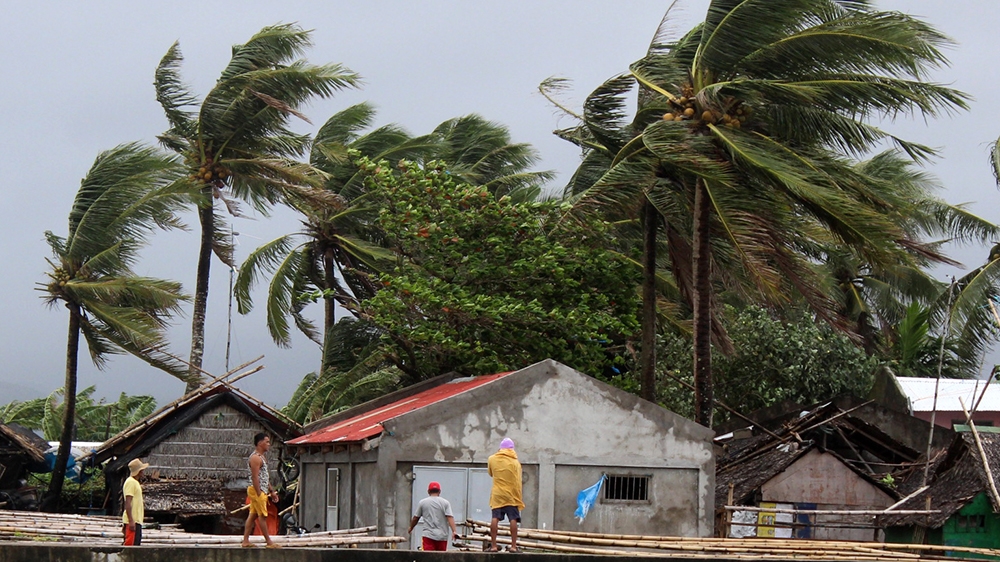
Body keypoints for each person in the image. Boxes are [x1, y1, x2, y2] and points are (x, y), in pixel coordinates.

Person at [242, 432, 280, 548]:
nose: (269, 444)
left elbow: (264, 476)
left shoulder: (261, 457)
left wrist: (271, 491)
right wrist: (259, 493)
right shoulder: (255, 458)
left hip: (261, 490)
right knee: (263, 516)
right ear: (259, 443)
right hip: (256, 490)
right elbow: (255, 477)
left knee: (253, 515)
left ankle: (245, 541)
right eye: (267, 442)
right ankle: (268, 542)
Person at [488, 437, 524, 552]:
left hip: (497, 494)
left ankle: (493, 546)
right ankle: (513, 546)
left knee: (495, 518)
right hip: (511, 495)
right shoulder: (516, 462)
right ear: (512, 449)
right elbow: (518, 480)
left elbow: (491, 473)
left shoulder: (492, 459)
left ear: (501, 448)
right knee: (513, 519)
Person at [408, 481, 458, 551]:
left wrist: (411, 527)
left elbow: (416, 518)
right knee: (441, 558)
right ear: (439, 491)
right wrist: (454, 531)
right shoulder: (445, 503)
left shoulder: (423, 502)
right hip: (442, 536)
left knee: (428, 557)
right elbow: (450, 517)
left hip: (428, 535)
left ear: (428, 491)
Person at [122, 458, 149, 546]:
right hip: (133, 520)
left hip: (137, 520)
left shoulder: (135, 482)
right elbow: (128, 502)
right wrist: (131, 520)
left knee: (136, 545)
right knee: (130, 546)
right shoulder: (130, 482)